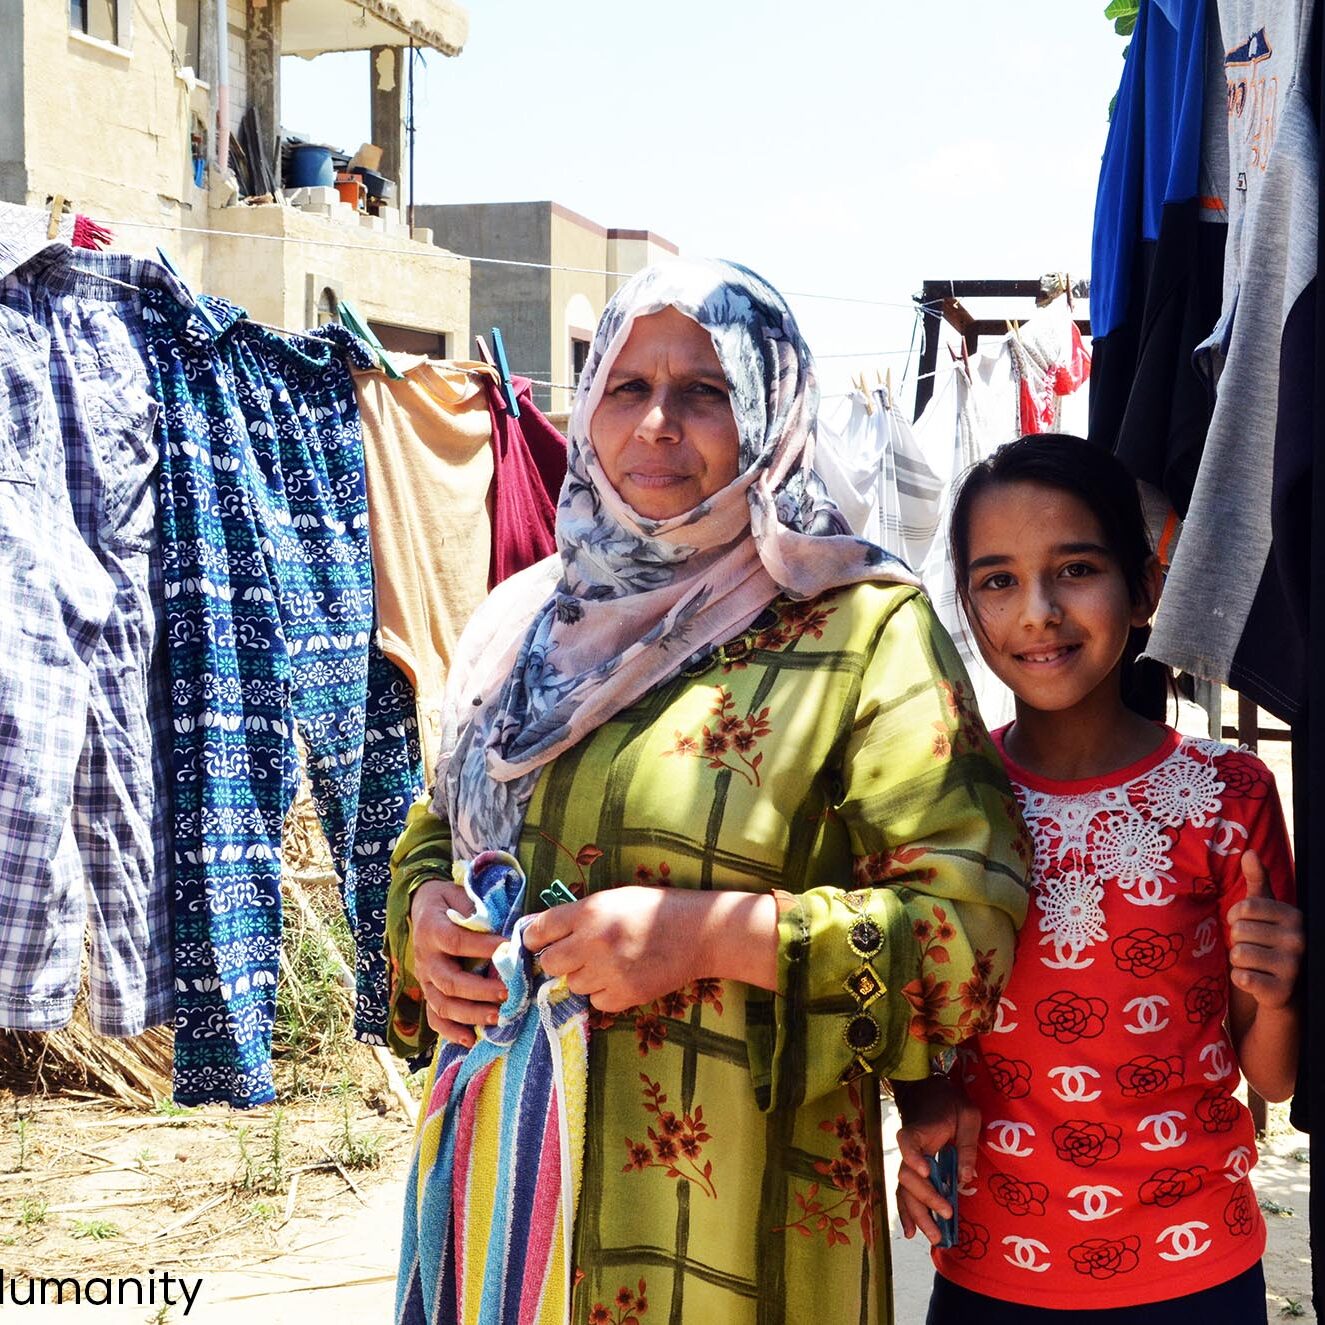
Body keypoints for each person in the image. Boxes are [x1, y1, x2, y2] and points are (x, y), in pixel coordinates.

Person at [383, 257, 1031, 1325]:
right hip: (504, 1189)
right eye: (627, 388)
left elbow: (966, 931)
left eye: (705, 391)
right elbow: (436, 817)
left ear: (770, 411)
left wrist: (706, 937)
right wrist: (422, 913)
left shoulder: (857, 628)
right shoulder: (527, 623)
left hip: (739, 1215)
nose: (655, 425)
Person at [895, 435, 1304, 1324]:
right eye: (996, 580)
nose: (1037, 611)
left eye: (1075, 567)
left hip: (1193, 1267)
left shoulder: (1227, 798)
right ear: (967, 611)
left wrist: (1276, 992)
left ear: (1144, 588)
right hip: (991, 1267)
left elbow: (1269, 1078)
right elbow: (910, 1017)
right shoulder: (938, 803)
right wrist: (919, 1104)